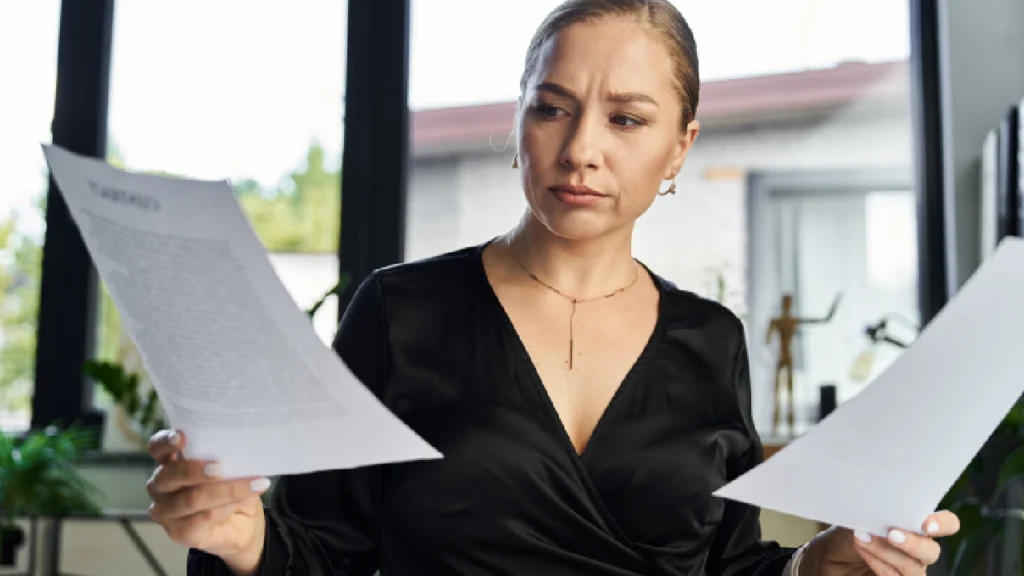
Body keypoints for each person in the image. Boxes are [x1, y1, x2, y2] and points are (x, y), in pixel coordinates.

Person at [146, 1, 959, 574]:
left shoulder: (713, 339)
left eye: (627, 119)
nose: (580, 149)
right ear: (519, 124)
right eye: (553, 108)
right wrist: (244, 542)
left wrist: (816, 568)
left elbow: (727, 566)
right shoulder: (400, 314)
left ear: (680, 148)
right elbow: (320, 552)